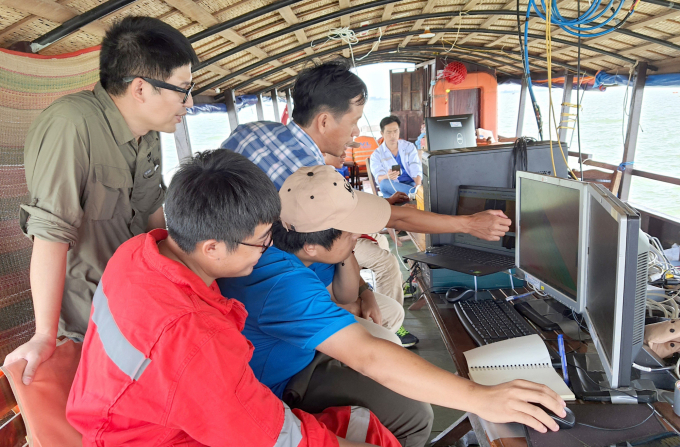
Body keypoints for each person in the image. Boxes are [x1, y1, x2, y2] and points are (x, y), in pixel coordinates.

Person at [66, 150, 400, 447]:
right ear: (212, 248)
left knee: (361, 425)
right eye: (260, 242)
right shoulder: (195, 337)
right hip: (167, 436)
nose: (267, 250)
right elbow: (278, 438)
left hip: (127, 419)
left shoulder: (137, 253)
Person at [218, 166, 567, 447]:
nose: (359, 236)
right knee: (413, 416)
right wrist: (481, 398)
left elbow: (375, 248)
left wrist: (349, 255)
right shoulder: (285, 284)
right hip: (278, 385)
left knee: (402, 380)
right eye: (351, 233)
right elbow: (367, 355)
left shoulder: (290, 235)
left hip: (299, 353)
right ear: (312, 247)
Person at [4, 16, 199, 385]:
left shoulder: (149, 130)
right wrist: (45, 336)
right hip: (88, 321)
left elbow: (153, 216)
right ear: (141, 88)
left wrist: (182, 281)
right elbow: (50, 234)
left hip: (140, 306)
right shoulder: (71, 125)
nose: (188, 102)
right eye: (182, 89)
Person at [220, 60, 509, 243]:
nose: (357, 132)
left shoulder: (251, 129)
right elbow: (396, 219)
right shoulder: (310, 177)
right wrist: (469, 224)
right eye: (354, 121)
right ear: (324, 121)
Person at [324, 150, 417, 347]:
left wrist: (385, 203)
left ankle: (387, 294)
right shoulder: (320, 179)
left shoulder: (333, 173)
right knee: (387, 262)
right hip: (336, 237)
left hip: (348, 230)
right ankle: (390, 325)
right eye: (341, 148)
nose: (345, 153)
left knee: (381, 242)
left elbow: (355, 204)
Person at [369, 116, 423, 199]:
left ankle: (412, 194)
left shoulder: (409, 147)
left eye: (395, 131)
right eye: (389, 132)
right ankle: (417, 194)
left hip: (410, 184)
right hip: (391, 186)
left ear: (399, 130)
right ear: (382, 133)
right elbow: (379, 178)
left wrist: (418, 184)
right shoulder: (376, 155)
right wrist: (387, 176)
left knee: (392, 194)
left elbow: (415, 166)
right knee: (384, 184)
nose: (393, 135)